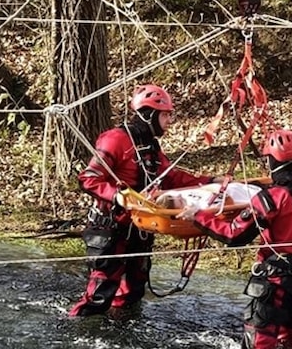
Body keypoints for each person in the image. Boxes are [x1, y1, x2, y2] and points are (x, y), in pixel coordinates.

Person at [179, 128, 292, 349]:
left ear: (270, 161)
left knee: (260, 335)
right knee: (289, 334)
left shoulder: (270, 198)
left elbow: (234, 236)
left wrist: (198, 216)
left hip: (277, 279)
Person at [69, 84, 217, 318]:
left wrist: (210, 181)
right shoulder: (115, 140)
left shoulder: (151, 147)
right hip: (110, 230)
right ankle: (75, 333)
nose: (170, 120)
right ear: (149, 114)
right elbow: (88, 178)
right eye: (166, 114)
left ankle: (121, 339)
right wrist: (118, 196)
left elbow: (171, 177)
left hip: (139, 229)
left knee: (132, 293)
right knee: (99, 295)